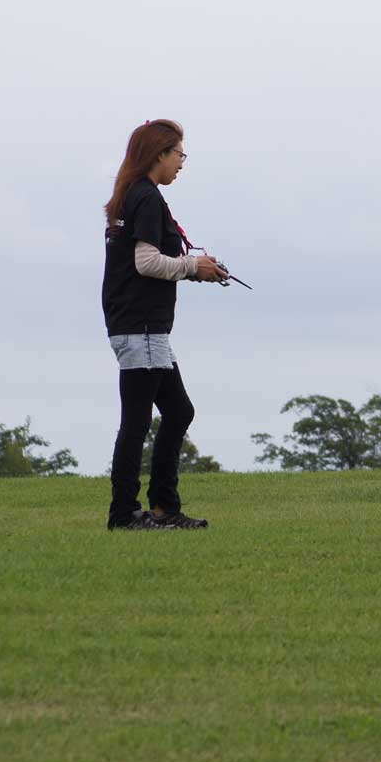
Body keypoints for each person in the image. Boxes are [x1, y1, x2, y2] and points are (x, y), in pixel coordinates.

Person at [100, 119, 228, 530]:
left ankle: (162, 508)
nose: (181, 163)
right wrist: (193, 266)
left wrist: (195, 268)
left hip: (140, 324)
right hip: (142, 325)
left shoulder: (131, 195)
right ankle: (125, 514)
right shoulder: (147, 198)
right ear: (160, 154)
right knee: (138, 421)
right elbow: (147, 262)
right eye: (178, 154)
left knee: (178, 411)